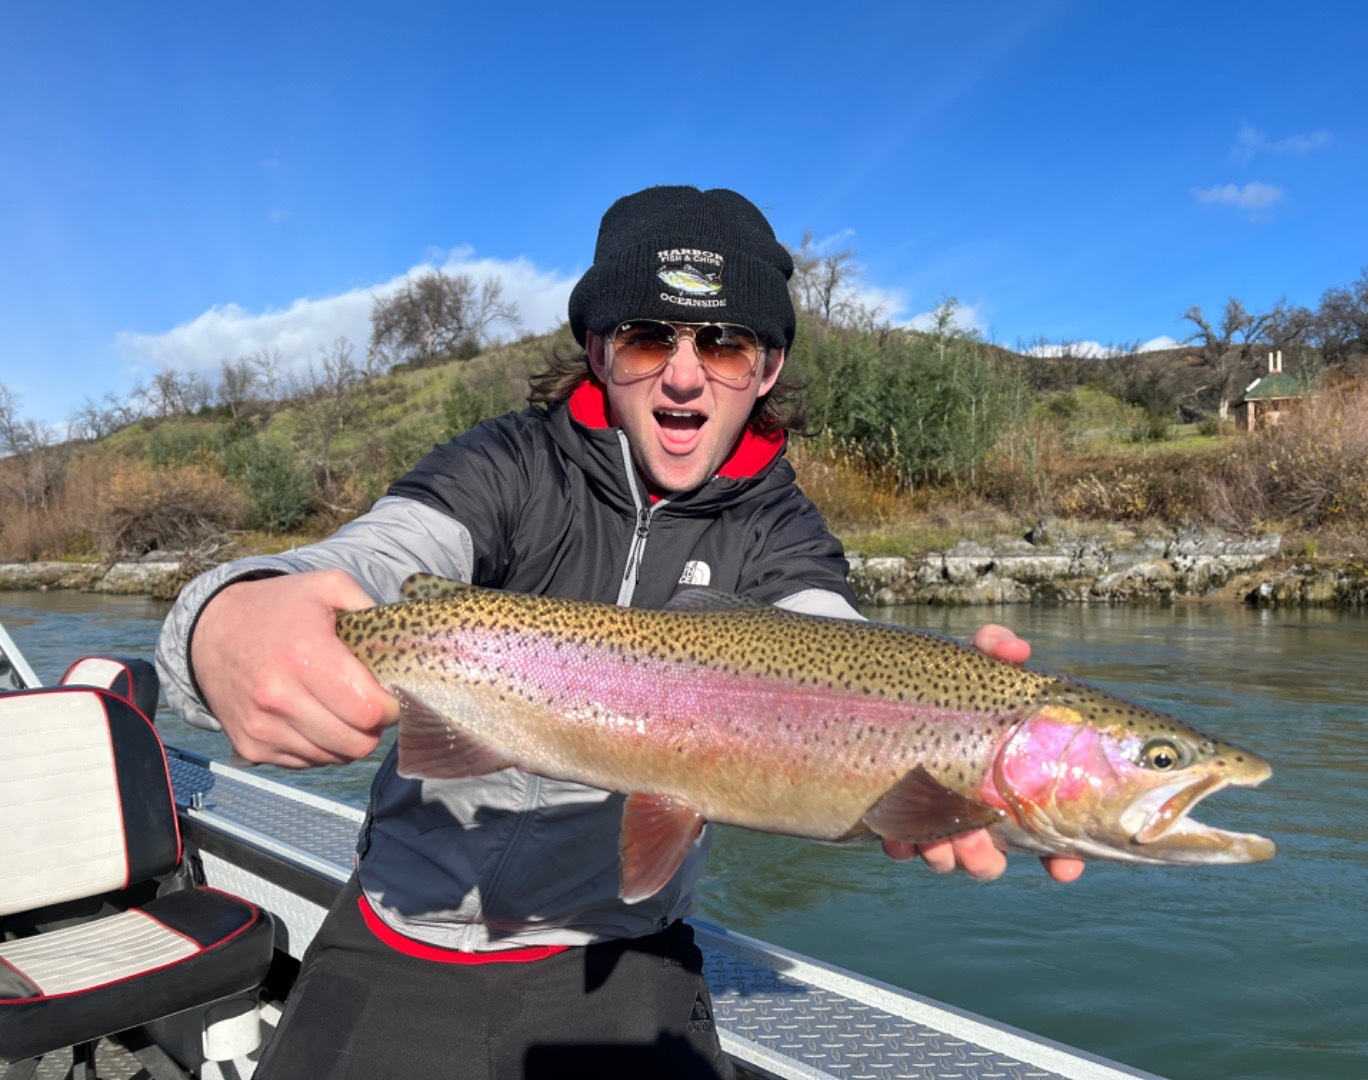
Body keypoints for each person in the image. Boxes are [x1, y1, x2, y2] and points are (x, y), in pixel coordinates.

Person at [156, 185, 1082, 1079]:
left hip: (623, 952)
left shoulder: (782, 532)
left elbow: (824, 635)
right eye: (649, 337)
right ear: (600, 351)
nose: (684, 372)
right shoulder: (506, 464)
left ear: (765, 369)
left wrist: (942, 719)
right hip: (399, 927)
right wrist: (230, 613)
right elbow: (379, 556)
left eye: (723, 343)